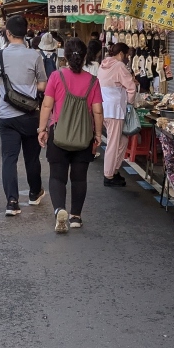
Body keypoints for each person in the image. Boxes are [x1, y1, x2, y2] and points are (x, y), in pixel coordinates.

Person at [38, 37, 104, 232]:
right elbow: (98, 111)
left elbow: (47, 105)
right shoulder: (93, 81)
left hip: (59, 134)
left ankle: (59, 209)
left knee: (57, 177)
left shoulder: (56, 76)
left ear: (65, 56)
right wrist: (98, 135)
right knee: (79, 178)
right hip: (84, 137)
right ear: (84, 57)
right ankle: (75, 216)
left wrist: (42, 129)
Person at [0, 13, 47, 216]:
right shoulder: (35, 55)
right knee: (32, 158)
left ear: (7, 33)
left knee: (9, 159)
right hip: (30, 114)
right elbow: (42, 85)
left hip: (7, 115)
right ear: (26, 33)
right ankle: (34, 193)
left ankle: (12, 202)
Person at [98, 42, 137, 187]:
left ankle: (114, 170)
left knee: (122, 140)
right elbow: (131, 88)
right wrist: (130, 105)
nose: (127, 58)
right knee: (113, 144)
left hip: (103, 108)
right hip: (115, 110)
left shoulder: (103, 65)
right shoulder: (120, 66)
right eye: (127, 55)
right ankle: (108, 175)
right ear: (121, 54)